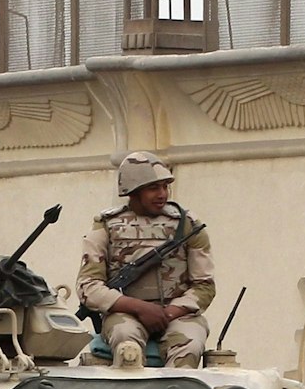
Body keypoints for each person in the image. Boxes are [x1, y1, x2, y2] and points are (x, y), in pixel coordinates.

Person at [76, 152, 214, 367]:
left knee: (190, 346)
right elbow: (89, 287)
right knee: (125, 344)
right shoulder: (107, 225)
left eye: (165, 187)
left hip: (178, 314)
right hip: (126, 314)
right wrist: (139, 308)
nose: (162, 194)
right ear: (132, 191)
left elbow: (204, 286)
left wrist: (167, 313)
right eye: (153, 188)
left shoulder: (187, 225)